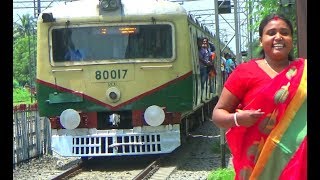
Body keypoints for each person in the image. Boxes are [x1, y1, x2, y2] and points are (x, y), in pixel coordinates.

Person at [211, 13, 307, 180]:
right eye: (271, 33)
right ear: (261, 40)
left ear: (291, 39)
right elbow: (218, 114)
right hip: (257, 164)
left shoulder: (304, 72)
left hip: (298, 160)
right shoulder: (245, 72)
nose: (278, 37)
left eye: (285, 32)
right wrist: (237, 119)